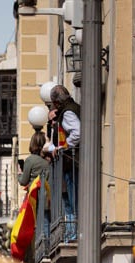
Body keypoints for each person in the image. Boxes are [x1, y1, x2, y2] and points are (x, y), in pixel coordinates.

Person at [44, 85, 80, 233]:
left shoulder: (68, 112)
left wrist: (63, 147)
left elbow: (77, 132)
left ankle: (74, 232)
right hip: (70, 163)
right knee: (71, 200)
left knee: (72, 200)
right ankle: (72, 231)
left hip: (71, 162)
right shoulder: (71, 108)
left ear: (56, 102)